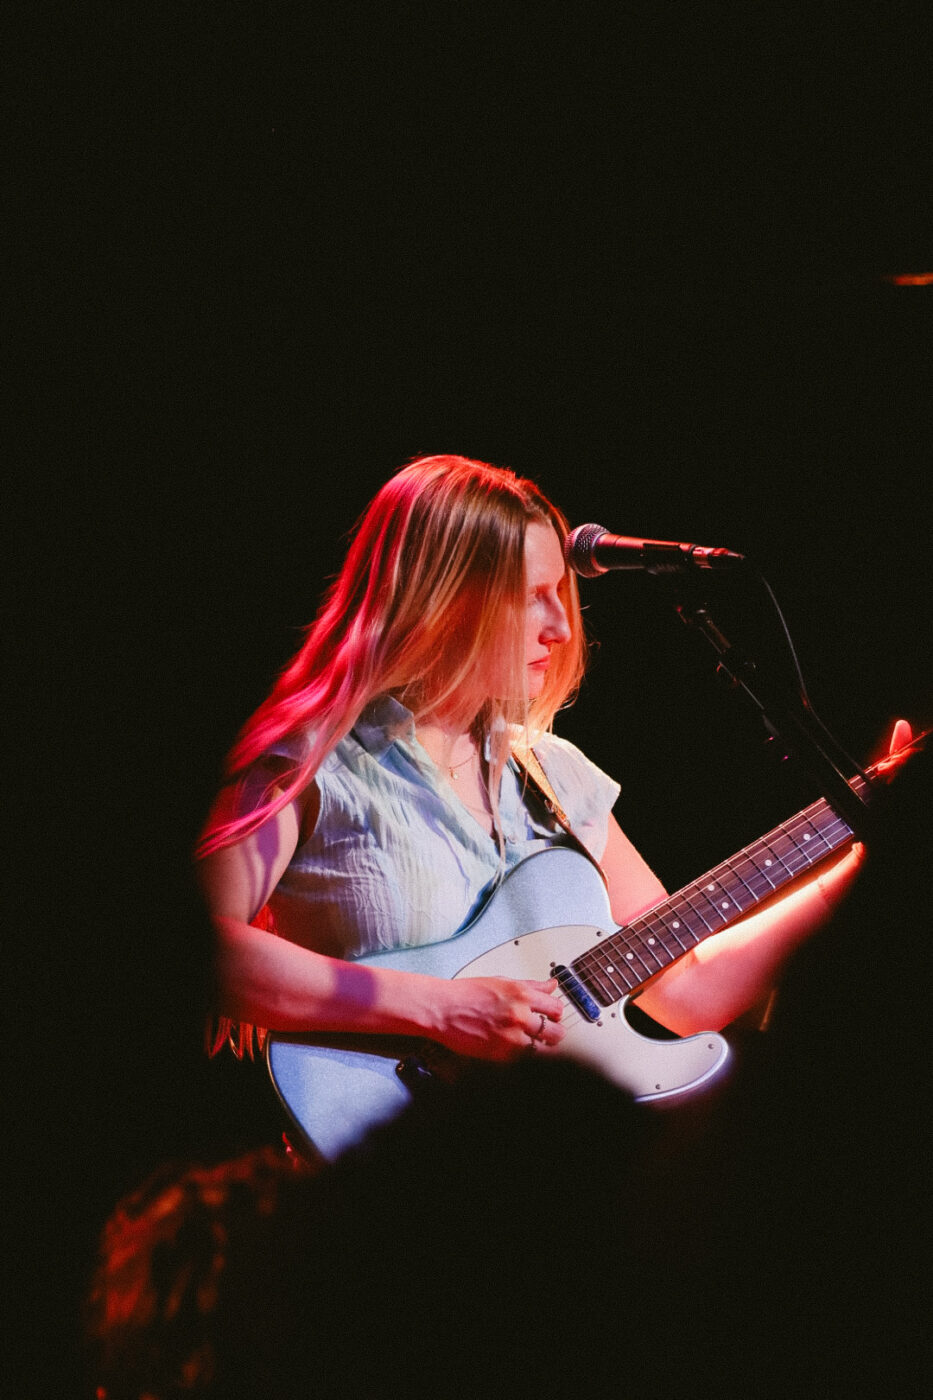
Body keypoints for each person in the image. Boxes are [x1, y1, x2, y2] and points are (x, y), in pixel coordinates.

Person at [196, 453, 892, 1077]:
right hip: (379, 1156)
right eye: (531, 595)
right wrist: (441, 1009)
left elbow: (686, 986)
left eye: (561, 593)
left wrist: (866, 860)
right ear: (442, 595)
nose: (560, 627)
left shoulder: (553, 773)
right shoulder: (314, 760)